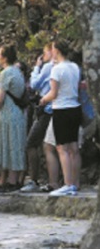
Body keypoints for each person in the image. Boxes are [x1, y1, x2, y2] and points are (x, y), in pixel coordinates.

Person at [39, 40, 82, 196]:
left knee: (62, 148)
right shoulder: (75, 67)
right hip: (75, 107)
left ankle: (67, 183)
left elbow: (53, 93)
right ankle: (75, 183)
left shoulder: (57, 69)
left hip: (61, 109)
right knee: (74, 148)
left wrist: (43, 99)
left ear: (56, 51)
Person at [21, 43, 60, 193]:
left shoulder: (48, 67)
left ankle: (35, 180)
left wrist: (37, 67)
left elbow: (35, 84)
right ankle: (55, 181)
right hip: (54, 109)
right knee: (52, 145)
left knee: (32, 143)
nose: (42, 57)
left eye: (44, 53)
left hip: (47, 109)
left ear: (51, 51)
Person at [0, 45, 27, 192]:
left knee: (8, 145)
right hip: (17, 112)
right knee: (15, 145)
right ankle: (14, 179)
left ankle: (10, 182)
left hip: (7, 112)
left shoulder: (5, 73)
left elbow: (0, 98)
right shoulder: (18, 71)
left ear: (5, 57)